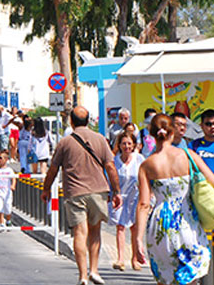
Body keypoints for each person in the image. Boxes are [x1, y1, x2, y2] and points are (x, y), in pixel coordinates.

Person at [42, 106, 121, 285]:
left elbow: (53, 169)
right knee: (95, 232)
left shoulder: (65, 142)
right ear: (88, 121)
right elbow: (110, 167)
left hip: (75, 192)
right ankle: (94, 270)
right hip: (98, 191)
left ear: (71, 121)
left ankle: (83, 276)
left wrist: (46, 189)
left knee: (79, 233)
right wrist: (116, 191)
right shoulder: (101, 139)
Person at [134, 114, 213, 285]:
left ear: (152, 135)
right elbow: (211, 181)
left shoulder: (147, 165)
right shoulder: (188, 155)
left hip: (160, 225)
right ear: (172, 132)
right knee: (190, 276)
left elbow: (143, 204)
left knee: (166, 277)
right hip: (186, 222)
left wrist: (138, 239)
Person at [109, 131, 144, 271]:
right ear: (119, 145)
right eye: (124, 143)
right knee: (120, 226)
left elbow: (145, 176)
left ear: (134, 145)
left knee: (134, 227)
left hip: (135, 197)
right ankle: (120, 258)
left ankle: (135, 259)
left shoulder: (139, 159)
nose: (127, 146)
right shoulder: (115, 161)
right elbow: (110, 178)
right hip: (120, 196)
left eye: (129, 143)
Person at [0, 150, 16, 230]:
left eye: (1, 158)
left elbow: (13, 178)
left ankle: (8, 220)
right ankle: (2, 223)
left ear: (6, 159)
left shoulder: (9, 170)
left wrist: (13, 185)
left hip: (7, 192)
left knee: (8, 209)